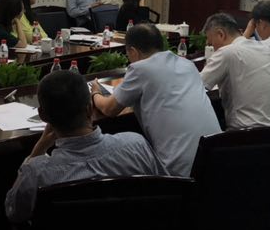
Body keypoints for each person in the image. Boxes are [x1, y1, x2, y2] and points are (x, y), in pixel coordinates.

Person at [5, 68, 166, 222]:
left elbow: (14, 212)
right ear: (89, 108)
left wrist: (37, 151)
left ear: (43, 116)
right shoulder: (136, 146)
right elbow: (168, 191)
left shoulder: (36, 172)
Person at [91, 24, 221, 176]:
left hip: (180, 173)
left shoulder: (141, 69)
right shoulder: (187, 65)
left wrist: (95, 93)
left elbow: (109, 109)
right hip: (218, 159)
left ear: (133, 51)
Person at [200, 13, 270, 129]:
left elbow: (197, 85)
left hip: (246, 134)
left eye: (211, 43)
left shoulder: (226, 52)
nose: (212, 48)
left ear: (221, 34)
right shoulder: (264, 48)